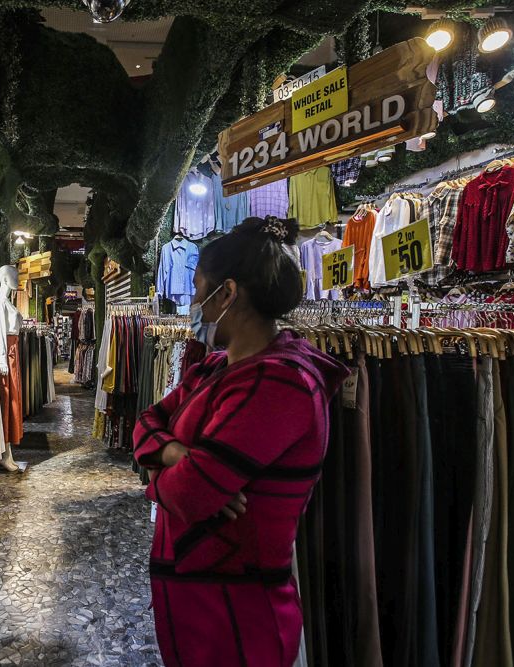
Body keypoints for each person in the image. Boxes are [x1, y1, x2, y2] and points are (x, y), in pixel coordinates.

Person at [133, 216, 348, 666]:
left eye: (199, 288)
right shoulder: (215, 368)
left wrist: (161, 468)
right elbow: (147, 422)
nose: (194, 302)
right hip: (208, 613)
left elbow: (189, 495)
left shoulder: (280, 383)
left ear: (227, 293)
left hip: (239, 621)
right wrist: (176, 454)